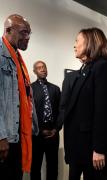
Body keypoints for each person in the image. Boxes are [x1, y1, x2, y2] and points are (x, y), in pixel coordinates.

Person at [63, 27, 107, 180]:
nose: (74, 45)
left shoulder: (101, 66)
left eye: (77, 40)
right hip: (80, 146)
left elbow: (102, 111)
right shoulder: (84, 70)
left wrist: (99, 149)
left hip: (94, 148)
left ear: (90, 43)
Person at [0, 14, 34, 179]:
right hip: (5, 138)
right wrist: (1, 136)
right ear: (8, 30)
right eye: (23, 32)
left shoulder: (18, 59)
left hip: (17, 136)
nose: (27, 37)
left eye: (29, 33)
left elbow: (25, 96)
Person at [31, 61, 61, 180]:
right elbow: (29, 113)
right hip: (37, 134)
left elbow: (61, 110)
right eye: (39, 68)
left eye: (44, 67)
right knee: (35, 166)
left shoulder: (55, 89)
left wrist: (56, 128)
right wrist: (40, 130)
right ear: (35, 72)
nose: (42, 69)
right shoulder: (30, 89)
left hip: (53, 134)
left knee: (53, 165)